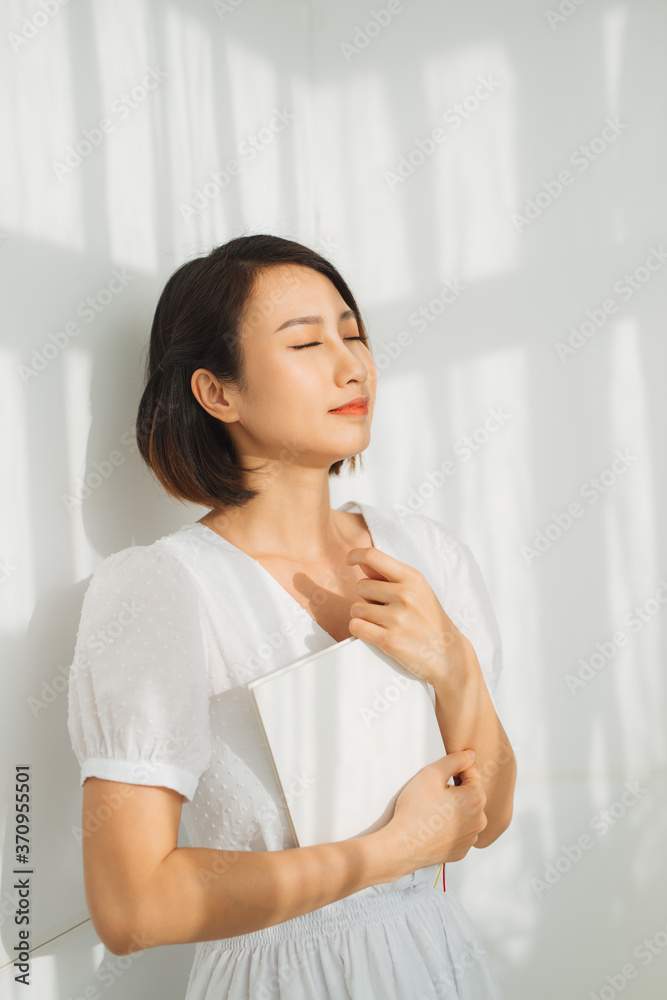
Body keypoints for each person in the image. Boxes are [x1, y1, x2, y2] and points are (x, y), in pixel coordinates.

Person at [67, 234, 516, 999]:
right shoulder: (163, 590)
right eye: (306, 343)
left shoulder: (423, 553)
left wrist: (454, 663)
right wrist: (390, 850)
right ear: (218, 393)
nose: (351, 366)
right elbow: (132, 907)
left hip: (437, 962)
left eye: (353, 334)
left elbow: (488, 817)